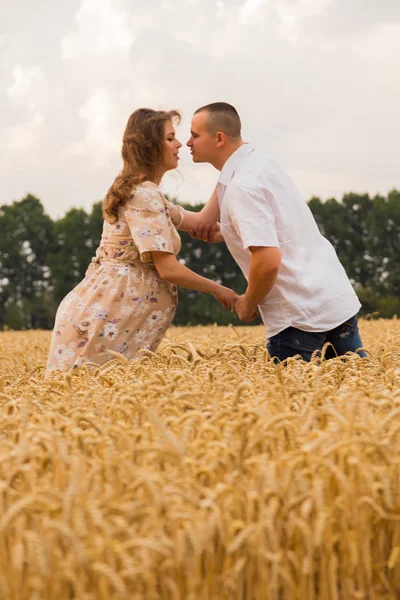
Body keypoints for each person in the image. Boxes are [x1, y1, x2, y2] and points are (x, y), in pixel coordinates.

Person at [45, 108, 237, 376]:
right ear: (150, 146)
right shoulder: (143, 195)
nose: (179, 144)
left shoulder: (147, 193)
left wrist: (229, 169)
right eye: (170, 138)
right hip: (106, 318)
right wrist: (219, 290)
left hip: (108, 316)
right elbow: (168, 269)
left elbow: (202, 220)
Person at [186, 102, 366, 362]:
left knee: (292, 402)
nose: (187, 142)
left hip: (297, 318)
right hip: (334, 300)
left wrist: (248, 303)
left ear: (219, 138)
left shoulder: (242, 186)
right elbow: (281, 222)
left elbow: (268, 261)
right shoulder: (260, 164)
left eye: (194, 134)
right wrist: (227, 230)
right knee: (357, 398)